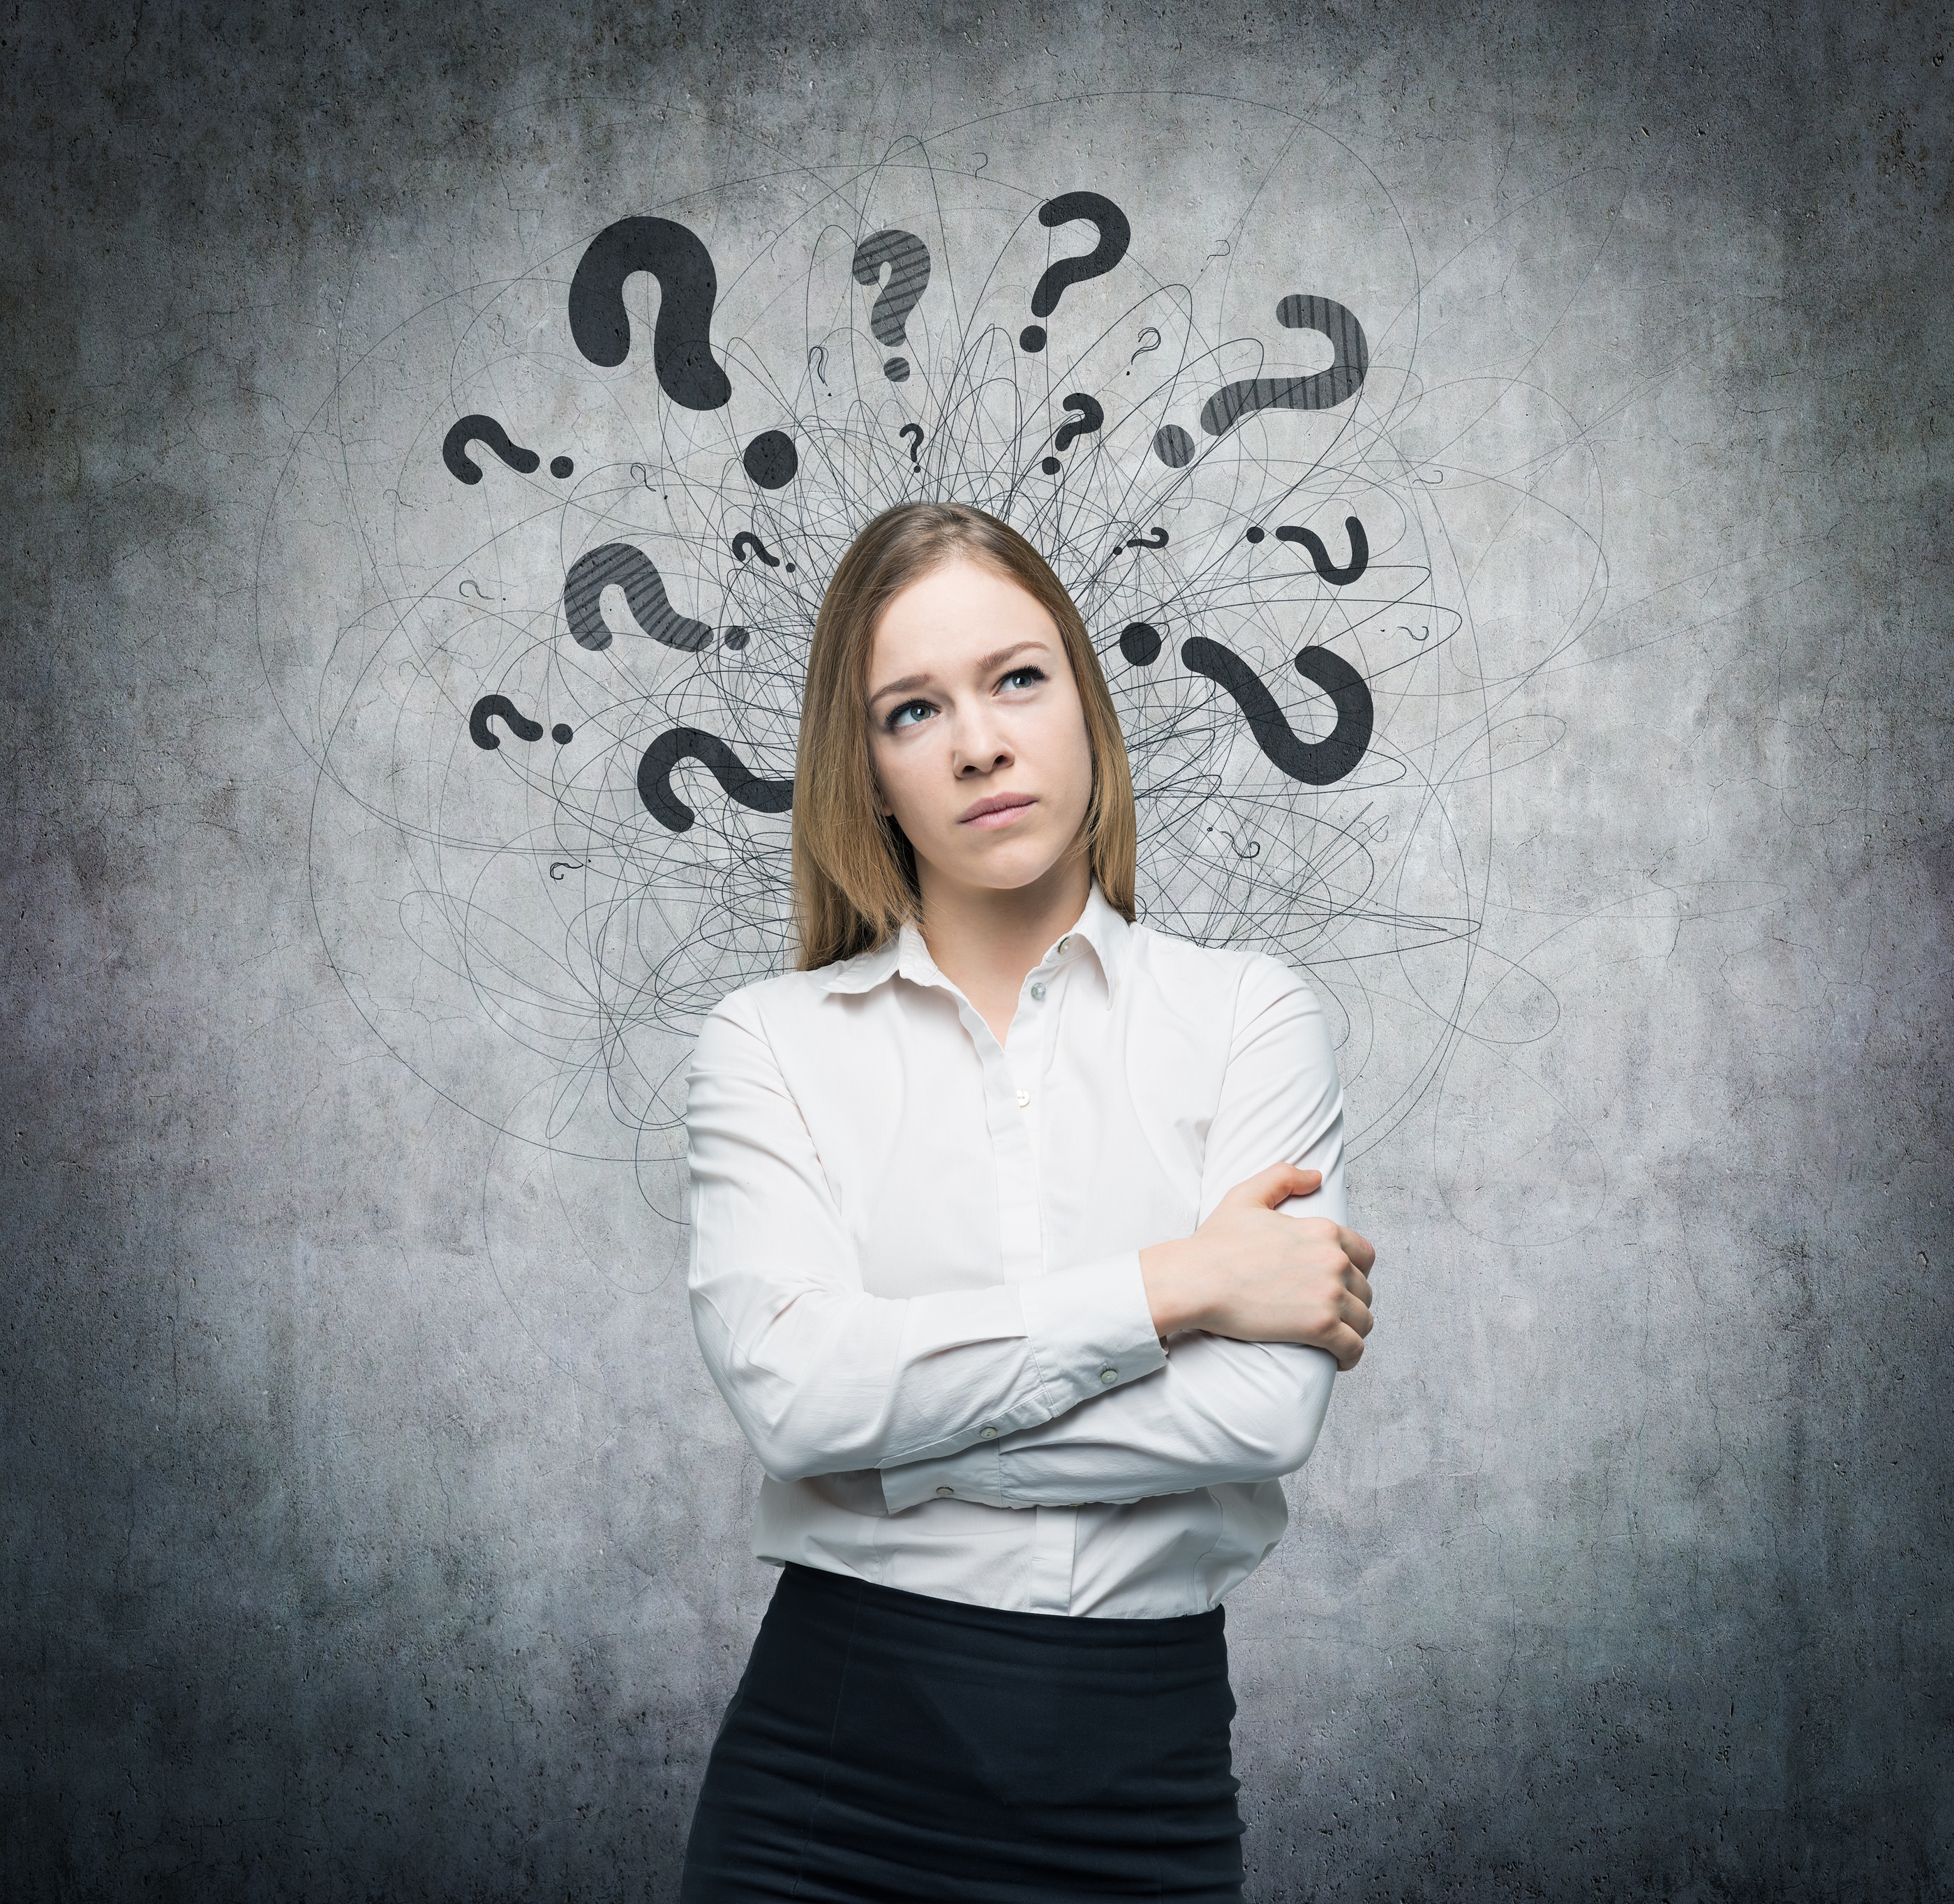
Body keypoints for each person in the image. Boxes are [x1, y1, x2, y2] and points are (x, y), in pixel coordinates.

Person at [677, 502, 1378, 1902]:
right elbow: (796, 1403)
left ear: (1082, 707)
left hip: (1141, 1785)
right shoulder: (767, 1043)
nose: (978, 743)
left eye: (1015, 679)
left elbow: (1258, 1416)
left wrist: (890, 1447)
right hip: (823, 1791)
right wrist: (1177, 1287)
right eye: (910, 710)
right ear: (865, 769)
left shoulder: (1246, 1017)